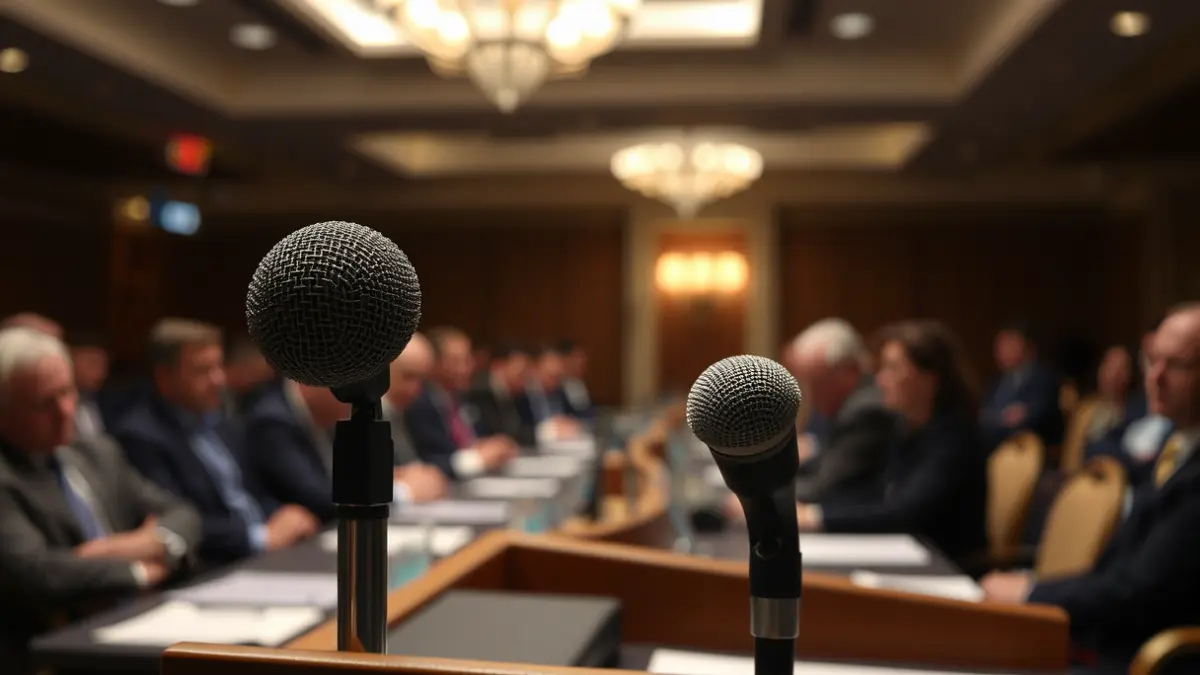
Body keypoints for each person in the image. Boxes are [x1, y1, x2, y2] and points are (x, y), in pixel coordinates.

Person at [982, 305, 1200, 675]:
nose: (1155, 378)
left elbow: (1138, 592)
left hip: (1143, 660)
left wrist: (1032, 595)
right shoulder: (1178, 446)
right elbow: (1121, 574)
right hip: (1108, 638)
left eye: (1176, 365)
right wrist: (1034, 586)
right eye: (1152, 361)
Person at [0, 328, 201, 656]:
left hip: (144, 620)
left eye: (67, 392)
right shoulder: (6, 476)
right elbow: (38, 573)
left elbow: (183, 514)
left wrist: (146, 544)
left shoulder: (97, 451)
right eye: (44, 403)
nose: (65, 410)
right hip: (58, 649)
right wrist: (138, 571)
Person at [114, 319, 319, 563]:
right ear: (164, 377)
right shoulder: (140, 435)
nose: (218, 380)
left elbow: (250, 492)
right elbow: (180, 521)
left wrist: (285, 515)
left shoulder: (219, 420)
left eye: (218, 366)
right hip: (213, 565)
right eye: (202, 370)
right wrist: (260, 537)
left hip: (264, 552)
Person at [794, 320, 988, 562]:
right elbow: (877, 496)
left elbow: (905, 513)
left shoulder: (954, 438)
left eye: (893, 368)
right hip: (907, 559)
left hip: (946, 571)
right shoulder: (908, 430)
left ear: (929, 379)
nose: (880, 380)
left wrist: (815, 517)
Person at [404, 327, 516, 479]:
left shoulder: (460, 397)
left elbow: (470, 442)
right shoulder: (418, 402)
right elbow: (428, 461)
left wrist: (488, 446)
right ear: (433, 364)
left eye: (467, 359)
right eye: (456, 361)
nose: (466, 368)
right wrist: (477, 459)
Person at [980, 321, 1063, 450]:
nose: (1001, 350)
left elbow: (1040, 415)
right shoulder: (997, 382)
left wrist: (1023, 414)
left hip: (1031, 450)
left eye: (1008, 343)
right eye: (999, 345)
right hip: (998, 447)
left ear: (1027, 346)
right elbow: (985, 417)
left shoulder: (1043, 378)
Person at [467, 342, 538, 446]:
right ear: (498, 366)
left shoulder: (517, 392)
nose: (525, 377)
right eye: (521, 371)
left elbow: (524, 427)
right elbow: (495, 433)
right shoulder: (478, 391)